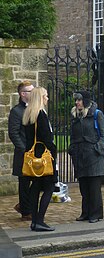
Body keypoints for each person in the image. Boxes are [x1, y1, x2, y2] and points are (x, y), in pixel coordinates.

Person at [22, 87, 57, 232]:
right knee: (49, 188)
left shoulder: (29, 114)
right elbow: (47, 138)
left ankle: (34, 221)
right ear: (40, 98)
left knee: (35, 188)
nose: (47, 98)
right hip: (43, 156)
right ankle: (40, 220)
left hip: (33, 156)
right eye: (46, 96)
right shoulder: (41, 115)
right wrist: (53, 151)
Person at [69, 91, 104, 223]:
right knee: (84, 187)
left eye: (79, 100)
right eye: (76, 100)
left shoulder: (97, 114)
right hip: (80, 155)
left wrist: (98, 149)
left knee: (94, 187)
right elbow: (73, 136)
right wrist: (72, 148)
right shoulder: (75, 116)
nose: (77, 102)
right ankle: (85, 212)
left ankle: (95, 214)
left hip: (93, 155)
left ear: (85, 101)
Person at [8, 80, 34, 221]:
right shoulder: (16, 111)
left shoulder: (34, 108)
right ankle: (26, 211)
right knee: (24, 182)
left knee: (39, 180)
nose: (33, 93)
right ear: (23, 94)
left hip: (35, 152)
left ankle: (24, 204)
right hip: (24, 153)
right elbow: (13, 133)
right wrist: (24, 150)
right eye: (30, 91)